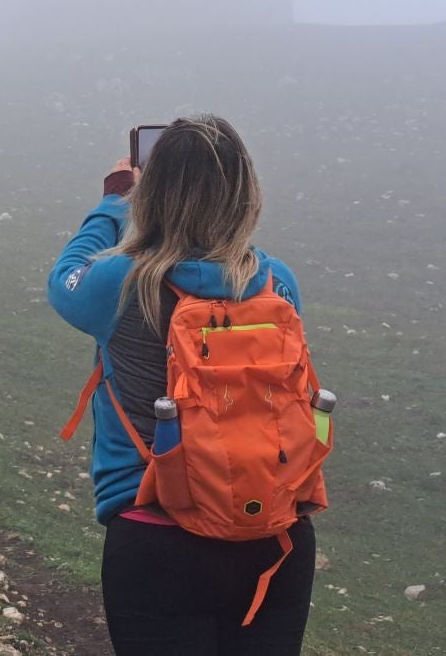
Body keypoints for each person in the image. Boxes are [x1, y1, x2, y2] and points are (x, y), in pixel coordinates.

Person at [47, 115, 316, 655]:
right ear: (244, 194)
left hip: (156, 535)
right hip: (274, 535)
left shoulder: (120, 284)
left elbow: (65, 276)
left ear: (153, 194)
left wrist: (115, 201)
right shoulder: (275, 281)